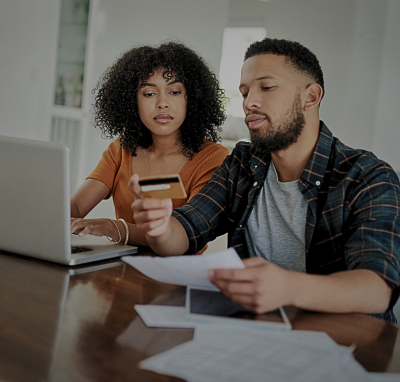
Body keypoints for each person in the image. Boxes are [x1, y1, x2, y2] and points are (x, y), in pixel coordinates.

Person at [129, 38, 400, 322]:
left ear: (310, 97)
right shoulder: (244, 162)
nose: (249, 102)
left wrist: (288, 288)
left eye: (266, 87)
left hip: (344, 344)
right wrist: (160, 228)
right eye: (245, 92)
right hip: (256, 332)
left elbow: (377, 289)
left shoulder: (368, 176)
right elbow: (185, 232)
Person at [70, 42, 230, 248]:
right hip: (117, 270)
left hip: (175, 275)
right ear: (131, 101)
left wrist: (114, 228)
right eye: (149, 93)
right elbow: (75, 206)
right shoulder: (122, 149)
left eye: (174, 92)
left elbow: (184, 231)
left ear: (191, 99)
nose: (162, 103)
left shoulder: (213, 157)